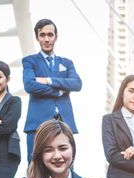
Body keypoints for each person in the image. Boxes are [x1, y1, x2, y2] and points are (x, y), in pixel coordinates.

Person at [22, 18, 82, 163]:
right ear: (37, 37)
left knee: (66, 167)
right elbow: (29, 85)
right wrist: (59, 91)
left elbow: (77, 84)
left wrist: (49, 80)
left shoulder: (66, 63)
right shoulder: (30, 61)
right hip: (37, 123)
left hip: (65, 122)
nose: (46, 39)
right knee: (35, 166)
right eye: (42, 35)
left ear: (56, 36)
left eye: (50, 35)